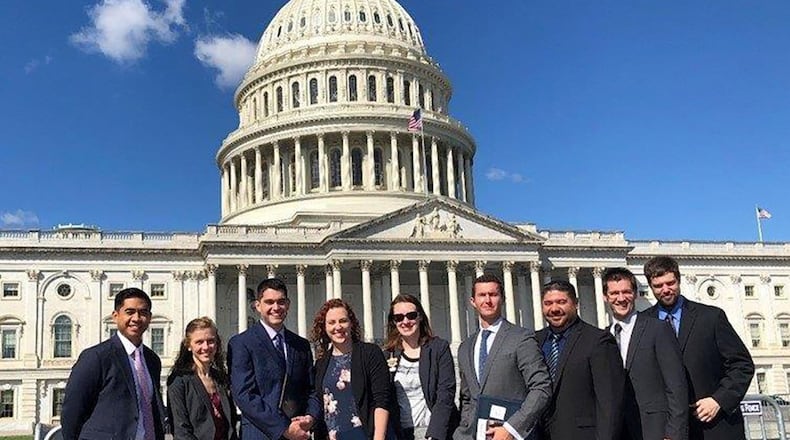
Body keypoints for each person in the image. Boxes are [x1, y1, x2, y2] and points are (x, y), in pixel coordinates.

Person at [642, 256, 754, 439]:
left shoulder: (711, 317)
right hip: (668, 430)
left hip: (716, 426)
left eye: (670, 283)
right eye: (658, 286)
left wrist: (719, 400)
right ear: (650, 286)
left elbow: (742, 365)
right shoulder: (643, 323)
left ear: (679, 280)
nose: (665, 290)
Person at [454, 274, 551, 440]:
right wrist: (464, 431)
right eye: (482, 295)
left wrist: (512, 429)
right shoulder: (465, 347)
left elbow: (541, 388)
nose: (488, 300)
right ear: (472, 301)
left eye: (493, 294)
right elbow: (467, 397)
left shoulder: (521, 338)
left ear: (502, 298)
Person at [61, 288, 165, 440]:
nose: (136, 318)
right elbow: (72, 412)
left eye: (143, 312)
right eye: (130, 312)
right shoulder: (96, 357)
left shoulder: (152, 360)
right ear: (116, 316)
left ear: (149, 317)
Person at [227, 278, 321, 440]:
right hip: (260, 434)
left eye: (281, 302)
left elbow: (311, 389)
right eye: (269, 302)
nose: (276, 308)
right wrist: (284, 428)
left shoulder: (301, 345)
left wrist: (310, 417)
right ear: (257, 306)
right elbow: (244, 395)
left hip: (298, 434)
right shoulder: (241, 343)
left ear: (288, 305)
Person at [602, 268, 688, 440]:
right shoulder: (602, 338)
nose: (621, 298)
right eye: (614, 293)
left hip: (654, 430)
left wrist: (674, 434)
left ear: (635, 294)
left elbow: (676, 386)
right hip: (617, 432)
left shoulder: (658, 329)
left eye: (626, 292)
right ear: (606, 297)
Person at [536, 280, 624, 440]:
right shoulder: (535, 340)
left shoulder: (598, 340)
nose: (554, 309)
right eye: (548, 303)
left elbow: (609, 402)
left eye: (561, 302)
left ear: (575, 303)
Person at [311, 299, 391, 440]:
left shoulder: (370, 353)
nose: (338, 327)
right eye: (331, 322)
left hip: (364, 434)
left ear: (351, 323)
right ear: (324, 327)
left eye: (343, 321)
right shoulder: (321, 363)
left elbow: (381, 400)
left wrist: (379, 437)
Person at [383, 294, 459, 440]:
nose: (405, 321)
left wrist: (434, 435)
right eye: (398, 318)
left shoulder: (438, 348)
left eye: (411, 315)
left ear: (420, 317)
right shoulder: (387, 354)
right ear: (393, 322)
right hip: (401, 433)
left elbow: (445, 393)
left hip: (434, 432)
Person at [167, 317, 238, 440]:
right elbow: (181, 430)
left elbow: (230, 424)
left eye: (210, 341)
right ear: (189, 346)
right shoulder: (179, 380)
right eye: (199, 342)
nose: (206, 347)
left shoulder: (221, 378)